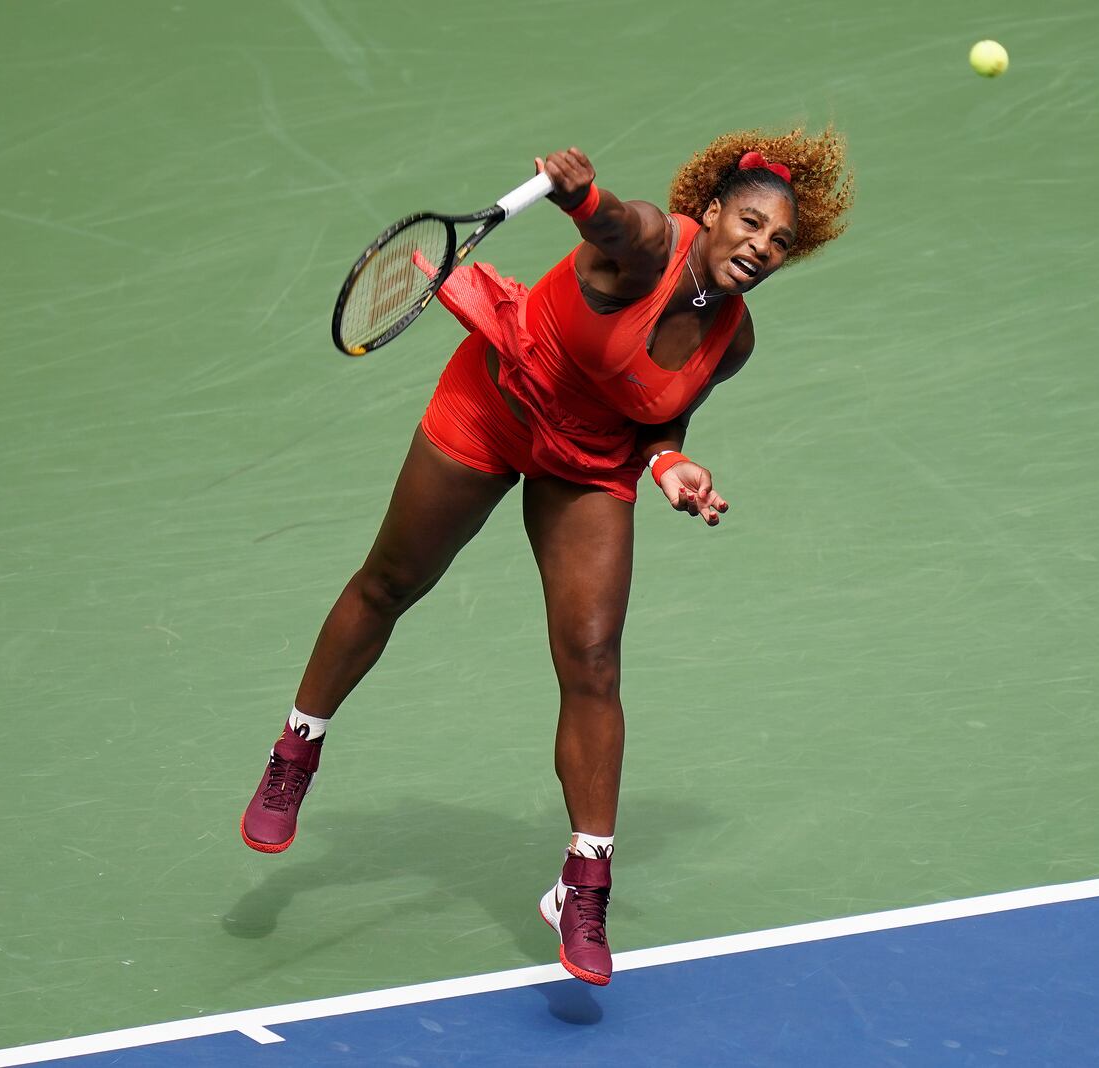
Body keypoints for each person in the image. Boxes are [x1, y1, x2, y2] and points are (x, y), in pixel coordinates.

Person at [241, 128, 853, 986]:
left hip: (591, 460)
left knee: (594, 663)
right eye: (749, 224)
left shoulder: (735, 340)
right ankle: (296, 750)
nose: (761, 247)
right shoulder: (647, 247)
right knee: (391, 583)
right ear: (708, 214)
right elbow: (617, 228)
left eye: (780, 241)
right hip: (497, 402)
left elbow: (661, 412)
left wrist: (670, 461)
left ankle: (585, 880)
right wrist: (583, 199)